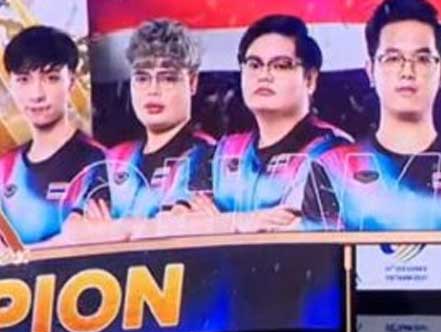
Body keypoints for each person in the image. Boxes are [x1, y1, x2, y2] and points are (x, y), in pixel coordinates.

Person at [306, 0, 441, 230]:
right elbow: (320, 249)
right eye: (392, 58)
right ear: (370, 71)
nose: (407, 72)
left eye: (422, 59)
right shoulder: (333, 167)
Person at [168, 14, 350, 235]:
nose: (264, 75)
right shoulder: (221, 152)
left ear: (309, 79)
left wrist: (215, 224)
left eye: (280, 66)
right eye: (254, 64)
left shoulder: (333, 152)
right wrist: (243, 222)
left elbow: (300, 233)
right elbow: (173, 224)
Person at [101, 19, 216, 223]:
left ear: (192, 82)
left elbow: (177, 225)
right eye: (142, 78)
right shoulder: (114, 159)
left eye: (167, 78)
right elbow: (80, 228)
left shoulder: (208, 154)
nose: (153, 90)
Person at [0, 26, 106, 246]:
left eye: (51, 78)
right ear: (11, 84)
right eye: (24, 80)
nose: (37, 94)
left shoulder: (99, 162)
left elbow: (86, 241)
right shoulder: (5, 169)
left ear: (72, 82)